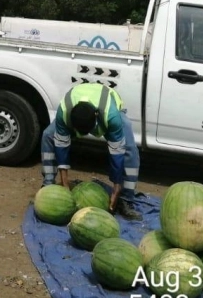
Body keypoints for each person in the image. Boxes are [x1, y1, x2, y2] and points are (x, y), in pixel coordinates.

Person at [41, 84, 143, 221]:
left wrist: (116, 187)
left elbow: (117, 153)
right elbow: (61, 147)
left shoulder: (111, 116)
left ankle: (126, 199)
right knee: (48, 135)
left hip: (109, 106)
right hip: (79, 107)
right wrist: (65, 185)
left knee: (129, 148)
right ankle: (48, 185)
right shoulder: (63, 113)